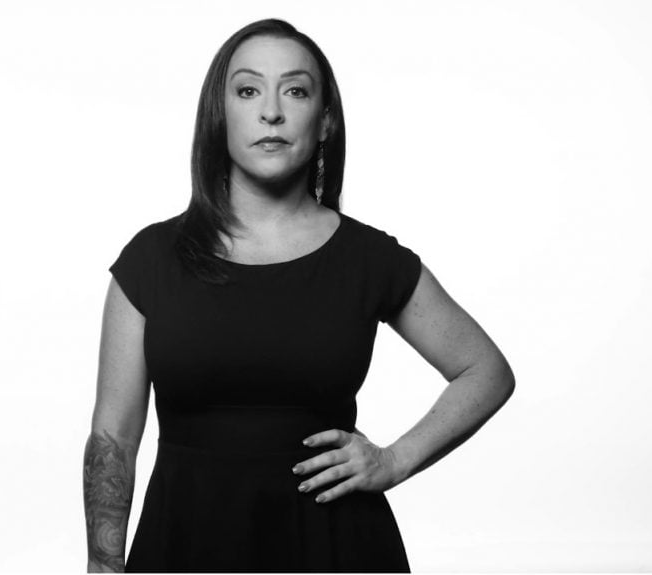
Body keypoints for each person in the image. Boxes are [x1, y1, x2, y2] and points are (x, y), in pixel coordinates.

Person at [83, 18, 515, 573]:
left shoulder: (368, 259)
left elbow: (485, 371)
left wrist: (394, 461)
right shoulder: (151, 259)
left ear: (325, 119)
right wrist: (103, 566)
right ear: (219, 115)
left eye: (295, 91)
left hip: (337, 547)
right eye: (247, 90)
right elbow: (113, 439)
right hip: (184, 546)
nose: (271, 112)